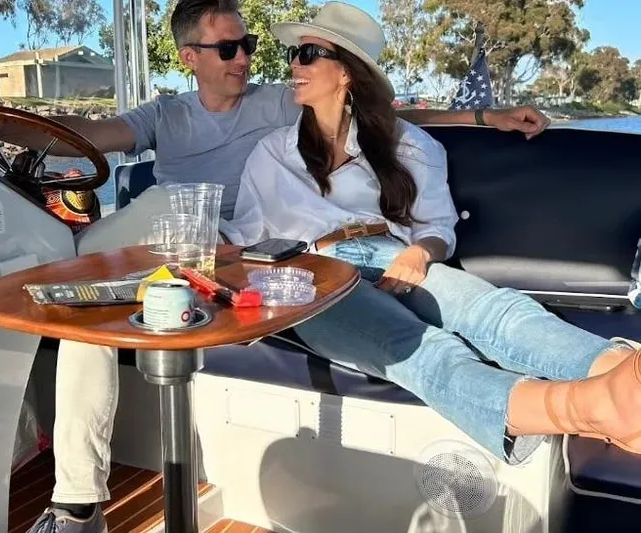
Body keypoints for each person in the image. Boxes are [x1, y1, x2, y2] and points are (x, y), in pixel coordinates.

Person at [0, 2, 554, 532]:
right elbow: (91, 134)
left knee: (91, 276)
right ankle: (78, 502)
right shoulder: (165, 115)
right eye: (229, 47)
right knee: (86, 300)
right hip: (174, 232)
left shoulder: (277, 105)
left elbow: (369, 114)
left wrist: (483, 118)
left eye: (250, 45)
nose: (245, 58)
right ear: (190, 57)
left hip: (239, 244)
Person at [221, 1, 641, 469]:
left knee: (490, 307)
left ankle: (622, 373)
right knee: (421, 345)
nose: (294, 66)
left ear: (348, 73)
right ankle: (587, 409)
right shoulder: (270, 153)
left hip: (388, 254)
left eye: (309, 54)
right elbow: (244, 238)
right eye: (293, 56)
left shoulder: (409, 145)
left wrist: (421, 253)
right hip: (310, 274)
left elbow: (438, 228)